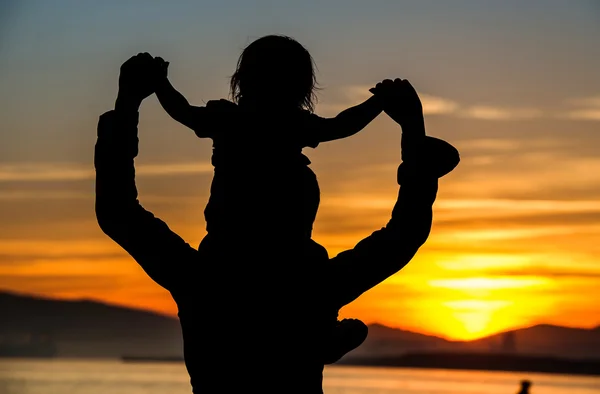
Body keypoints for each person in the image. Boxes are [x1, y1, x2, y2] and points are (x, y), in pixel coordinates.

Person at [95, 53, 459, 393]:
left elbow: (119, 211)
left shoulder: (201, 281)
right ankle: (310, 337)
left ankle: (312, 337)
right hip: (300, 294)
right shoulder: (315, 286)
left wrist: (130, 102)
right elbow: (404, 235)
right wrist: (412, 134)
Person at [151, 35, 388, 362]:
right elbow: (342, 126)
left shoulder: (235, 119)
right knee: (304, 267)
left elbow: (182, 110)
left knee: (301, 266)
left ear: (242, 80)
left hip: (243, 242)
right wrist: (378, 104)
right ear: (304, 88)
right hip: (256, 241)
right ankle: (319, 333)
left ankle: (318, 330)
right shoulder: (280, 122)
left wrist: (161, 84)